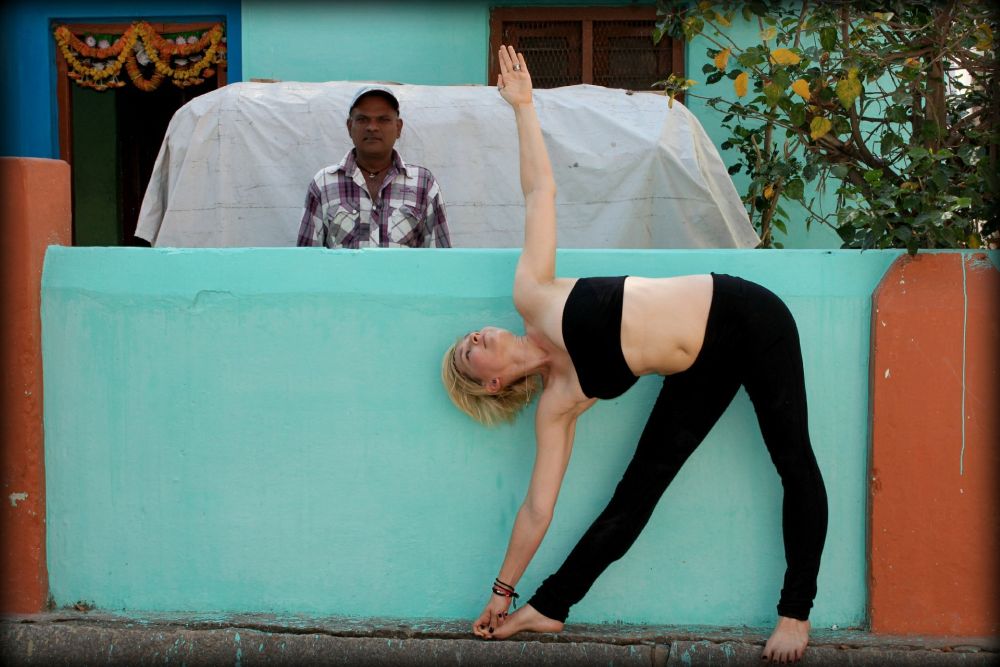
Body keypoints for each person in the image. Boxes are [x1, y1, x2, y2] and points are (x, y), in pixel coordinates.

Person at [440, 46, 828, 664]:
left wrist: (523, 108)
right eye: (468, 354)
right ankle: (548, 607)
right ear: (490, 385)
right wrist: (501, 590)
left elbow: (540, 191)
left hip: (746, 315)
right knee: (635, 495)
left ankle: (796, 613)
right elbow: (538, 508)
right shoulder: (559, 403)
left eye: (470, 335)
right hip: (696, 367)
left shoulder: (533, 295)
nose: (475, 338)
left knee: (794, 460)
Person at [297, 85, 451, 248]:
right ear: (349, 127)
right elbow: (306, 257)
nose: (372, 127)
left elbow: (440, 257)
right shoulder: (324, 184)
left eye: (383, 119)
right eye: (362, 119)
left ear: (398, 128)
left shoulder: (423, 184)